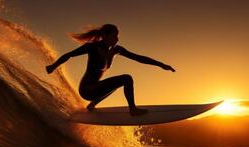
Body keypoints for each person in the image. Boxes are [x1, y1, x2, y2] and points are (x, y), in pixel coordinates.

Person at [46, 24, 175, 116]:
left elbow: (138, 58)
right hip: (87, 89)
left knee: (120, 82)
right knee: (126, 78)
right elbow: (69, 55)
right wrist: (53, 66)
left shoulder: (116, 50)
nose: (117, 39)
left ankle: (93, 104)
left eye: (118, 36)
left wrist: (161, 64)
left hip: (96, 89)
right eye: (115, 36)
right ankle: (133, 110)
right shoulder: (93, 47)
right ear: (105, 36)